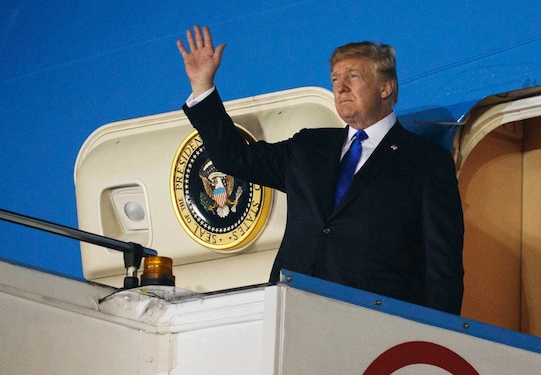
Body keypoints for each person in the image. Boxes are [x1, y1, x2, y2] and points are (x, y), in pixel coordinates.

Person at [177, 25, 464, 314]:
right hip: (293, 312)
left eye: (353, 76)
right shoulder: (309, 147)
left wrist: (437, 340)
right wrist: (203, 87)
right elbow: (235, 158)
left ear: (385, 87)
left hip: (375, 324)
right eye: (335, 79)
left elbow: (443, 269)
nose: (340, 87)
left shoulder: (425, 162)